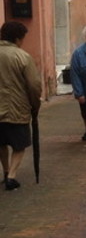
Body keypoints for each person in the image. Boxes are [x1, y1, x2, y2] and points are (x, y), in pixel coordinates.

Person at [0, 21, 42, 191]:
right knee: (19, 144)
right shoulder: (22, 57)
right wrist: (35, 103)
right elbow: (33, 85)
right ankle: (11, 176)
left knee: (1, 143)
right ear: (18, 38)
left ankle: (5, 170)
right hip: (17, 108)